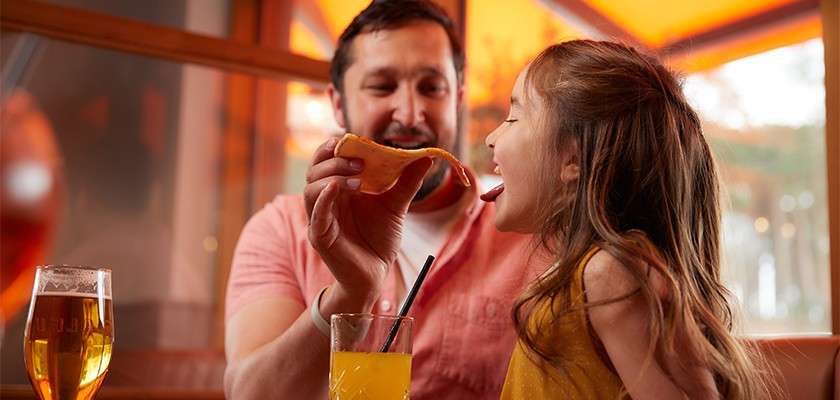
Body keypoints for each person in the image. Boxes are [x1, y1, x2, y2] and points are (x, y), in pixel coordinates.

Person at [223, 1, 536, 399]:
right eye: (382, 86)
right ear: (337, 102)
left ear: (457, 97)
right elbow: (249, 394)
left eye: (431, 87)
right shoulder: (280, 230)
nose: (409, 114)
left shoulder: (530, 231)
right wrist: (350, 293)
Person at [482, 40, 777, 399]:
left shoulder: (609, 274)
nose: (491, 137)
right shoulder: (581, 277)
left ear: (573, 157)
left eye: (513, 117)